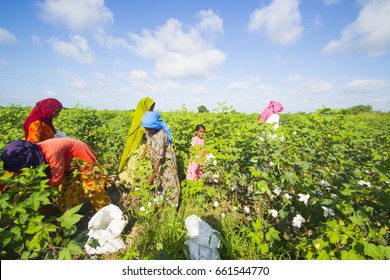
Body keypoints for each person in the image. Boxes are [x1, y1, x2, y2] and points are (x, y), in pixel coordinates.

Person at [1, 138, 111, 213]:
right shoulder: (34, 151)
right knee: (66, 191)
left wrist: (42, 195)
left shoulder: (51, 152)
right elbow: (11, 173)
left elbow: (57, 178)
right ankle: (68, 213)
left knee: (93, 188)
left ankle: (108, 214)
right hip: (66, 163)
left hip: (81, 158)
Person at [141, 111, 180, 207]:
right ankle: (160, 204)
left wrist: (152, 176)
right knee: (159, 182)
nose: (147, 129)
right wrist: (144, 153)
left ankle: (172, 207)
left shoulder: (161, 135)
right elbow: (148, 142)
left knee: (169, 182)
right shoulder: (149, 131)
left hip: (166, 162)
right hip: (156, 162)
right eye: (145, 127)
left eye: (149, 127)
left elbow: (159, 158)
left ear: (154, 125)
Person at [118, 97, 155, 186]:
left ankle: (137, 186)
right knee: (136, 166)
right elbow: (146, 134)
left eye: (153, 107)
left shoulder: (141, 116)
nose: (152, 110)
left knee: (139, 167)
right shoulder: (141, 118)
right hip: (138, 145)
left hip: (141, 144)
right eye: (151, 107)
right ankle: (134, 186)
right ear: (145, 106)